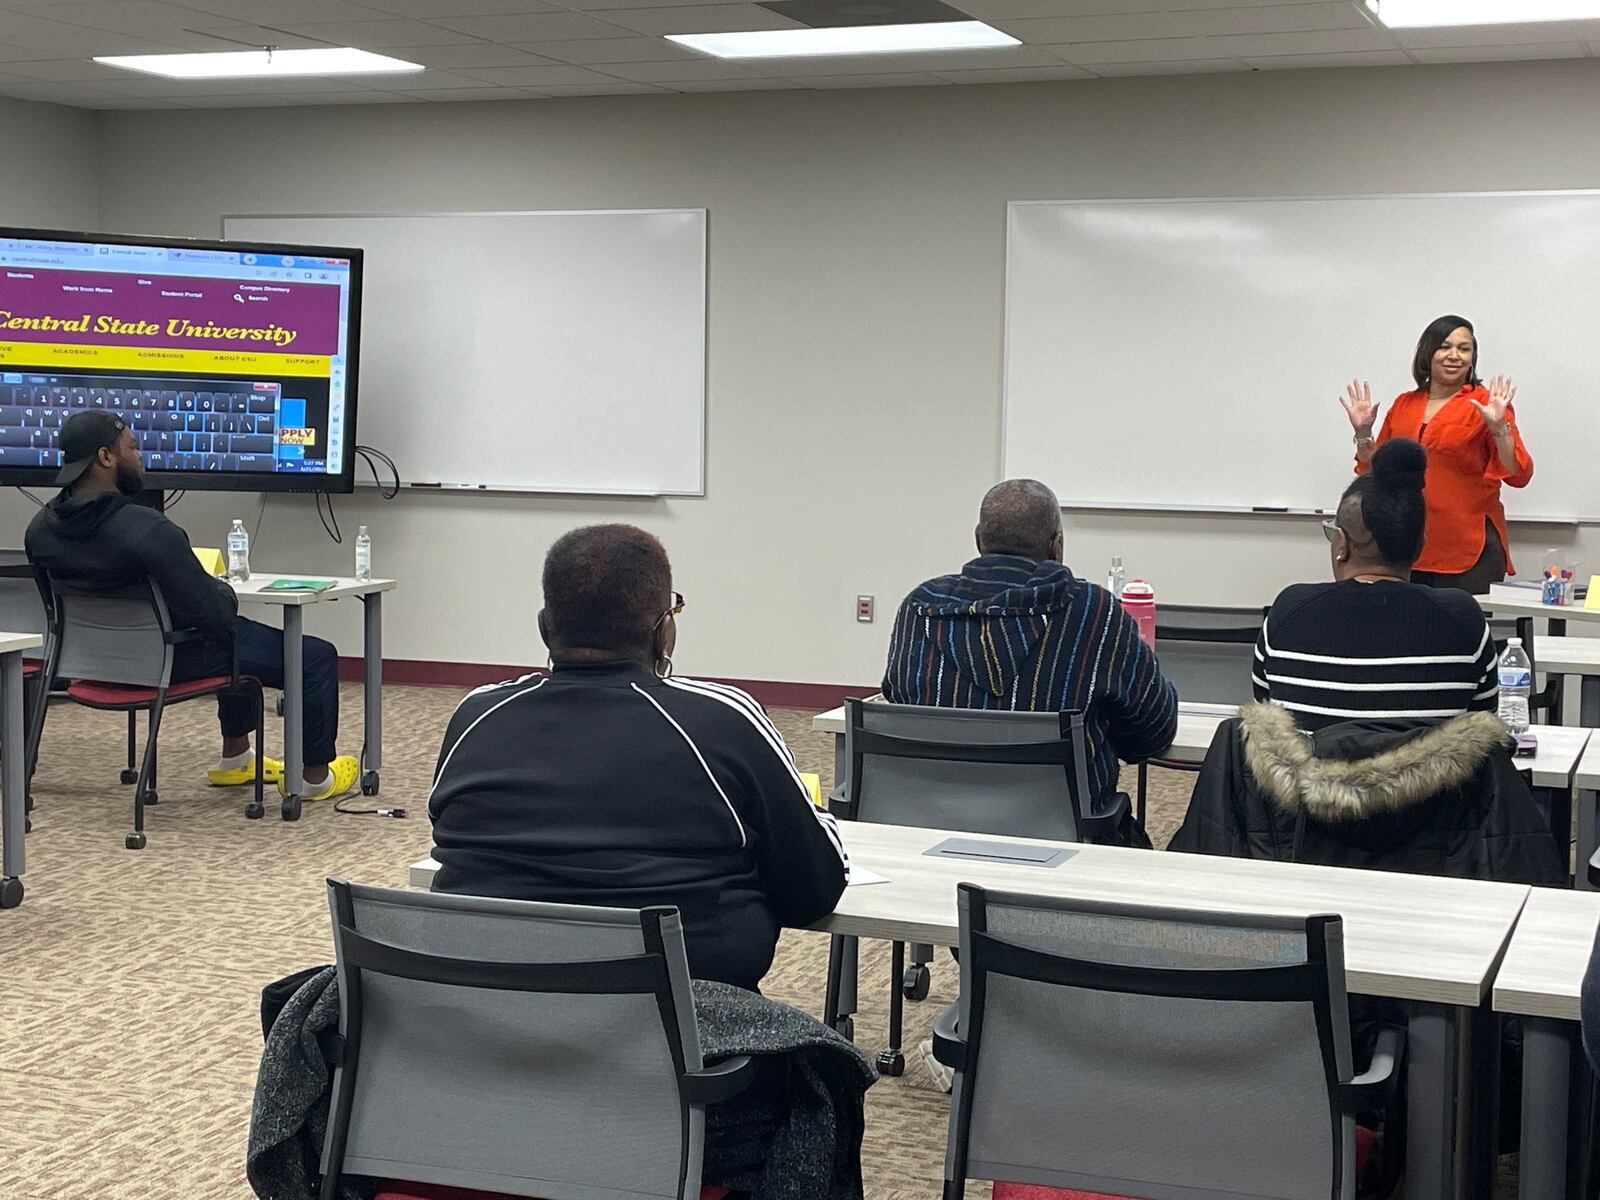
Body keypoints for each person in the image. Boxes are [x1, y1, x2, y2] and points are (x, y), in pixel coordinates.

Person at [428, 522, 848, 992]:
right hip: (685, 1037)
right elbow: (814, 888)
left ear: (545, 627)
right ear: (663, 631)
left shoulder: (476, 716)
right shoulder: (722, 721)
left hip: (482, 1022)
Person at [25, 411, 359, 801]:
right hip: (166, 660)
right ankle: (314, 777)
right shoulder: (149, 530)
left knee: (235, 636)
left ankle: (237, 759)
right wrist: (223, 590)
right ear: (105, 457)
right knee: (311, 655)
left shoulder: (39, 529)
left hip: (88, 664)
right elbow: (215, 616)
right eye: (132, 447)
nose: (141, 457)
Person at [881, 478, 1178, 817]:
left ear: (978, 540)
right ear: (1057, 546)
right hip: (1067, 847)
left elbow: (900, 705)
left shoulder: (920, 609)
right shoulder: (1094, 612)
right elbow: (1153, 732)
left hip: (929, 833)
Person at [1253, 439, 1499, 731]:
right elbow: (1482, 733)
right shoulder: (1463, 619)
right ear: (1421, 546)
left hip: (1310, 778)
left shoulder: (1288, 612)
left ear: (1342, 544)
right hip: (1429, 779)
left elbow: (1267, 727)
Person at [1339, 314, 1533, 593]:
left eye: (1464, 349)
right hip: (1404, 545)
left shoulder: (1486, 404)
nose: (1454, 355)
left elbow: (1519, 474)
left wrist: (1499, 427)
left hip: (1468, 551)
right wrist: (1362, 434)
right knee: (1407, 632)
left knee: (1458, 632)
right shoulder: (1405, 404)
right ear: (1428, 353)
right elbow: (1375, 472)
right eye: (1445, 346)